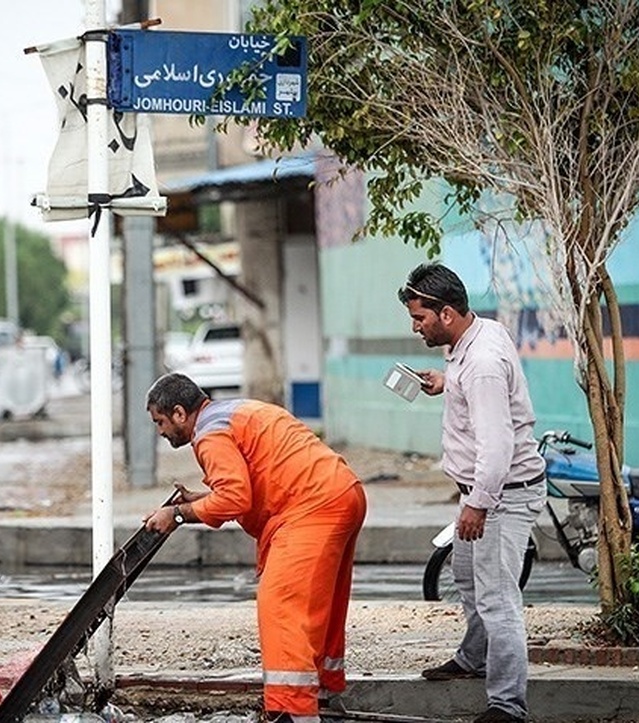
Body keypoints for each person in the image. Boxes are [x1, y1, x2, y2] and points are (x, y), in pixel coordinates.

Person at [142, 372, 368, 723]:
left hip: (310, 507)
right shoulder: (236, 412)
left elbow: (234, 498)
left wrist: (178, 514)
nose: (160, 431)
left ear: (179, 413)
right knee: (321, 607)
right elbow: (250, 485)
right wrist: (200, 500)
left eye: (160, 422)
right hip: (342, 492)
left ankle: (292, 711)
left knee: (280, 606)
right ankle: (322, 695)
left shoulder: (209, 435)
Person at [397, 263, 547, 723]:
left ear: (445, 314)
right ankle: (474, 657)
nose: (415, 327)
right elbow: (482, 393)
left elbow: (497, 443)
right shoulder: (477, 336)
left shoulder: (480, 364)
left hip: (499, 495)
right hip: (481, 493)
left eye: (420, 318)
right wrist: (446, 383)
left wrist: (479, 503)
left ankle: (507, 705)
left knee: (498, 599)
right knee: (465, 575)